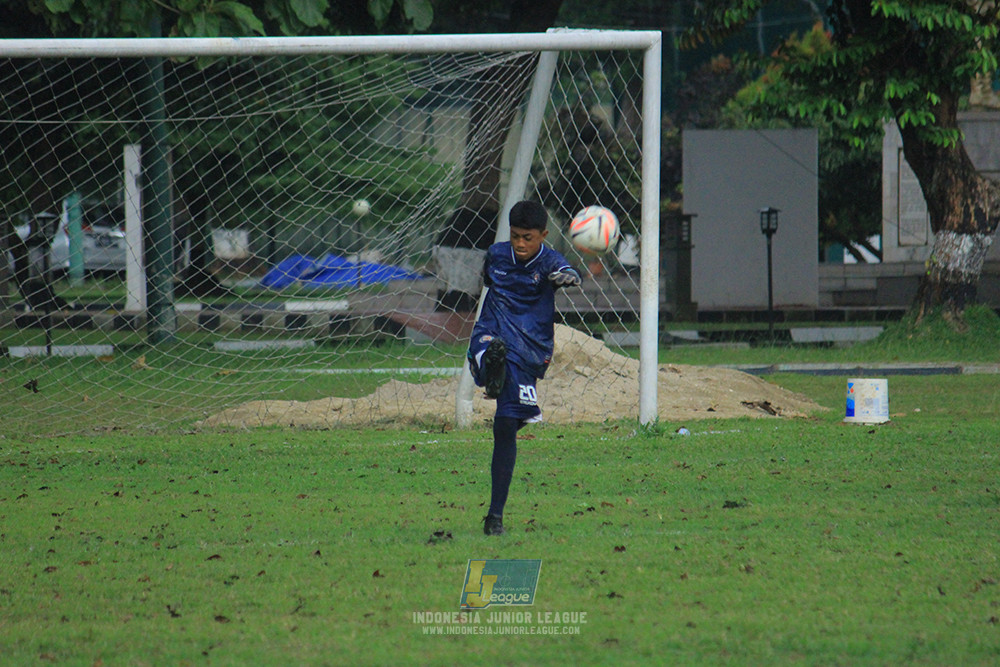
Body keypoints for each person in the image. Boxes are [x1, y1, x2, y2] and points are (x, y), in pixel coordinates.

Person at [466, 200, 582, 536]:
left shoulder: (550, 261)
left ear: (543, 235)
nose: (520, 243)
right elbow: (487, 276)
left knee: (506, 426)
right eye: (515, 236)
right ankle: (490, 367)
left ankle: (495, 516)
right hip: (493, 329)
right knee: (487, 352)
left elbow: (570, 272)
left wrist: (566, 278)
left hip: (530, 347)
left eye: (527, 238)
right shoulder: (497, 255)